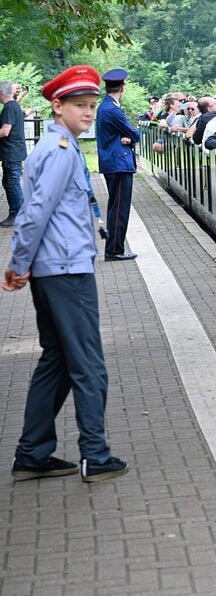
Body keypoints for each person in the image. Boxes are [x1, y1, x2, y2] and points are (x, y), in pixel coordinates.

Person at [3, 65, 129, 483]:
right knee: (88, 363)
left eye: (92, 105)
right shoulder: (59, 150)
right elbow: (35, 211)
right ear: (57, 107)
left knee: (56, 360)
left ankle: (33, 453)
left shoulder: (59, 145)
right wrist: (18, 263)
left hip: (53, 267)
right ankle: (95, 454)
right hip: (66, 269)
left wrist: (25, 264)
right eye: (80, 105)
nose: (89, 112)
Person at [96, 68, 141, 261]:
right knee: (119, 209)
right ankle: (114, 249)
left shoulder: (104, 106)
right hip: (119, 164)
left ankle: (115, 247)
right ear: (122, 87)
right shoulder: (113, 110)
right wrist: (130, 138)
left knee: (116, 207)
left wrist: (126, 138)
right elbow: (135, 134)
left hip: (112, 162)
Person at [0, 81, 27, 227]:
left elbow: (5, 131)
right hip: (12, 152)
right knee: (9, 183)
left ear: (1, 92)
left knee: (12, 183)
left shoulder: (10, 107)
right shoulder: (14, 106)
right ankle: (16, 213)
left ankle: (19, 215)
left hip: (12, 152)